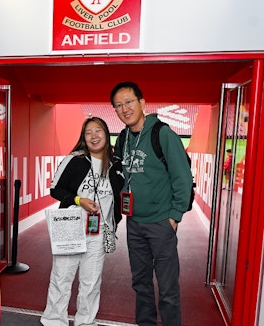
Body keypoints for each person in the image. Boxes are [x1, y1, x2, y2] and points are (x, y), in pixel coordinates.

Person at [110, 81, 193, 326]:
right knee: (141, 284)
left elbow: (183, 178)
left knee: (167, 288)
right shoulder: (123, 137)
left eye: (128, 102)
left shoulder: (162, 134)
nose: (124, 109)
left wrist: (174, 217)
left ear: (142, 103)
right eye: (118, 105)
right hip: (134, 222)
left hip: (161, 223)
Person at [41, 117, 124, 326]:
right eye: (88, 132)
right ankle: (53, 320)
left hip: (99, 229)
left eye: (98, 131)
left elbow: (119, 196)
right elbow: (55, 189)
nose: (94, 136)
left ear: (106, 133)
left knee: (92, 282)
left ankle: (85, 322)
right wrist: (78, 200)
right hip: (71, 226)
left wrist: (114, 222)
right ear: (83, 137)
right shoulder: (75, 159)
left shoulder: (116, 164)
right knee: (61, 277)